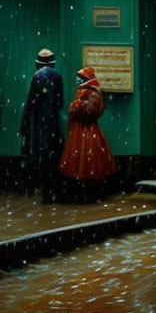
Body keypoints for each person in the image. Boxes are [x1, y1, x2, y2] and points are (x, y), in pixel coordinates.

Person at [59, 66, 117, 200]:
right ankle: (86, 190)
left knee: (84, 160)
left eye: (79, 78)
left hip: (85, 131)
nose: (77, 81)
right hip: (85, 131)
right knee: (85, 159)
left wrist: (76, 106)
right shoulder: (89, 91)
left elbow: (90, 110)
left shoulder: (92, 92)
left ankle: (85, 190)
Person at [20, 48, 64, 203]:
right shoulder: (57, 76)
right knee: (53, 157)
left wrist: (24, 123)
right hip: (52, 124)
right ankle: (53, 192)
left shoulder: (37, 77)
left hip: (38, 124)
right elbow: (60, 102)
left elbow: (30, 102)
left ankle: (42, 192)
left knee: (40, 158)